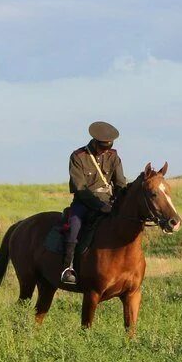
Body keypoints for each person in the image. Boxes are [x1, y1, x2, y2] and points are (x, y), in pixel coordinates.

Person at [62, 121, 128, 284]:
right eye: (102, 148)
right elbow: (80, 188)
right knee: (75, 226)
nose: (105, 151)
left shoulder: (113, 157)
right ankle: (68, 268)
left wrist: (122, 201)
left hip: (109, 202)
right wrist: (100, 206)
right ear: (95, 143)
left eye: (108, 148)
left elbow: (120, 183)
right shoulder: (78, 157)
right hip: (84, 202)